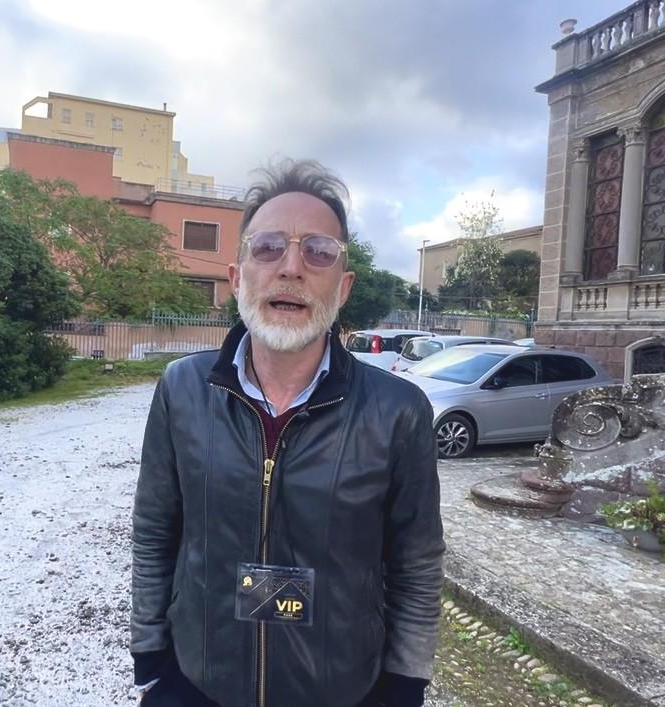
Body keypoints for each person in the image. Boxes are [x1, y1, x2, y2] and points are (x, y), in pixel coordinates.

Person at [130, 159, 445, 707]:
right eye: (269, 247)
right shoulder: (182, 389)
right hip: (198, 683)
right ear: (236, 277)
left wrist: (404, 683)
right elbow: (156, 531)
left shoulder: (399, 410)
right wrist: (153, 658)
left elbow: (416, 561)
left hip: (344, 690)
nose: (292, 267)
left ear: (342, 287)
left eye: (318, 251)